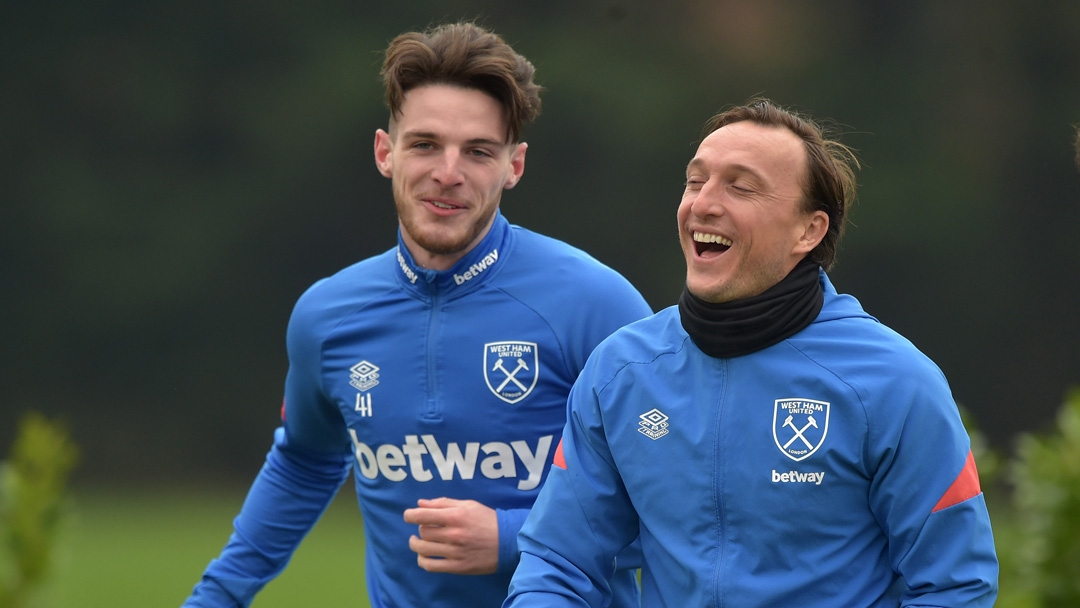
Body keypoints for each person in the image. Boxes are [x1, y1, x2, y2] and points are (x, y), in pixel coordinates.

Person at [180, 22, 651, 608]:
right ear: (386, 152)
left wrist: (513, 538)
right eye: (425, 144)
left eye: (478, 151)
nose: (448, 172)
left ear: (514, 165)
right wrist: (215, 598)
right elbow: (305, 461)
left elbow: (673, 505)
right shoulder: (326, 318)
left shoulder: (596, 305)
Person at [504, 99, 999, 607]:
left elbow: (954, 586)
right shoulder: (620, 371)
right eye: (696, 182)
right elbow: (558, 563)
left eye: (741, 187)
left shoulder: (897, 383)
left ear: (809, 230)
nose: (703, 203)